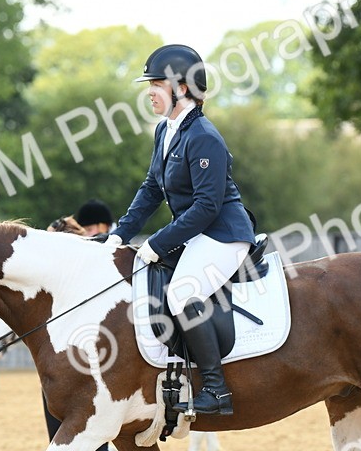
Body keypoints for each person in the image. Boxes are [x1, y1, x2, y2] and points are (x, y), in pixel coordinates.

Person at [103, 44, 256, 416]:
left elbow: (207, 206)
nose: (150, 91)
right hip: (197, 232)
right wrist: (119, 235)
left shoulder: (204, 136)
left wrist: (157, 241)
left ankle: (216, 391)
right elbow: (152, 188)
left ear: (182, 89)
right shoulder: (166, 130)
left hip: (223, 234)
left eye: (156, 83)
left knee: (182, 293)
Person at [43, 210, 114, 451]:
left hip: (60, 373)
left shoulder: (49, 286)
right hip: (95, 367)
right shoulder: (93, 276)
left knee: (58, 446)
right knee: (97, 448)